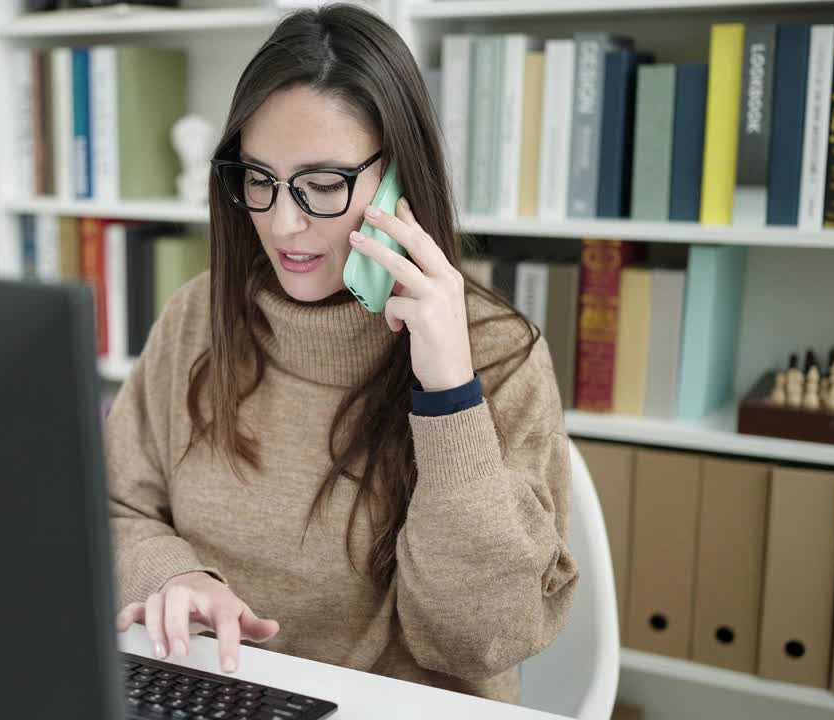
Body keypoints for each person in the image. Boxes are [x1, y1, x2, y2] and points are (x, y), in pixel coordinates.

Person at [107, 3, 577, 704]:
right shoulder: (199, 317)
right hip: (223, 693)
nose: (282, 221)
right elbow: (116, 510)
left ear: (398, 179)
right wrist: (176, 578)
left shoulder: (498, 354)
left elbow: (481, 639)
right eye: (258, 179)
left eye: (323, 185)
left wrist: (448, 391)